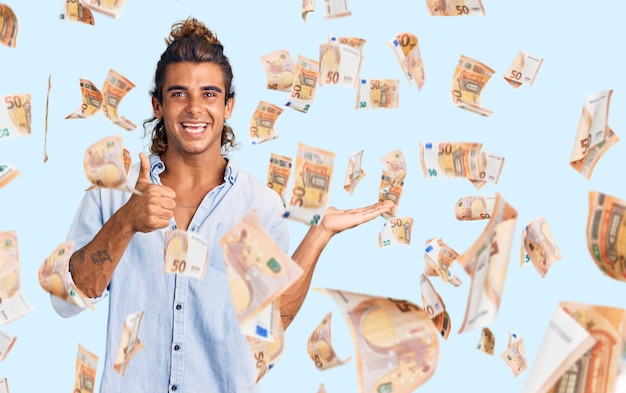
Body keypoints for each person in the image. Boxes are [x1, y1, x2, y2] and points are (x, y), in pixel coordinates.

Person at [50, 17, 393, 393]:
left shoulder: (259, 206)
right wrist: (127, 221)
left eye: (210, 94)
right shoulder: (112, 194)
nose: (195, 109)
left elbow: (270, 323)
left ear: (228, 105)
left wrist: (320, 233)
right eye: (179, 94)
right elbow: (66, 300)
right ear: (158, 104)